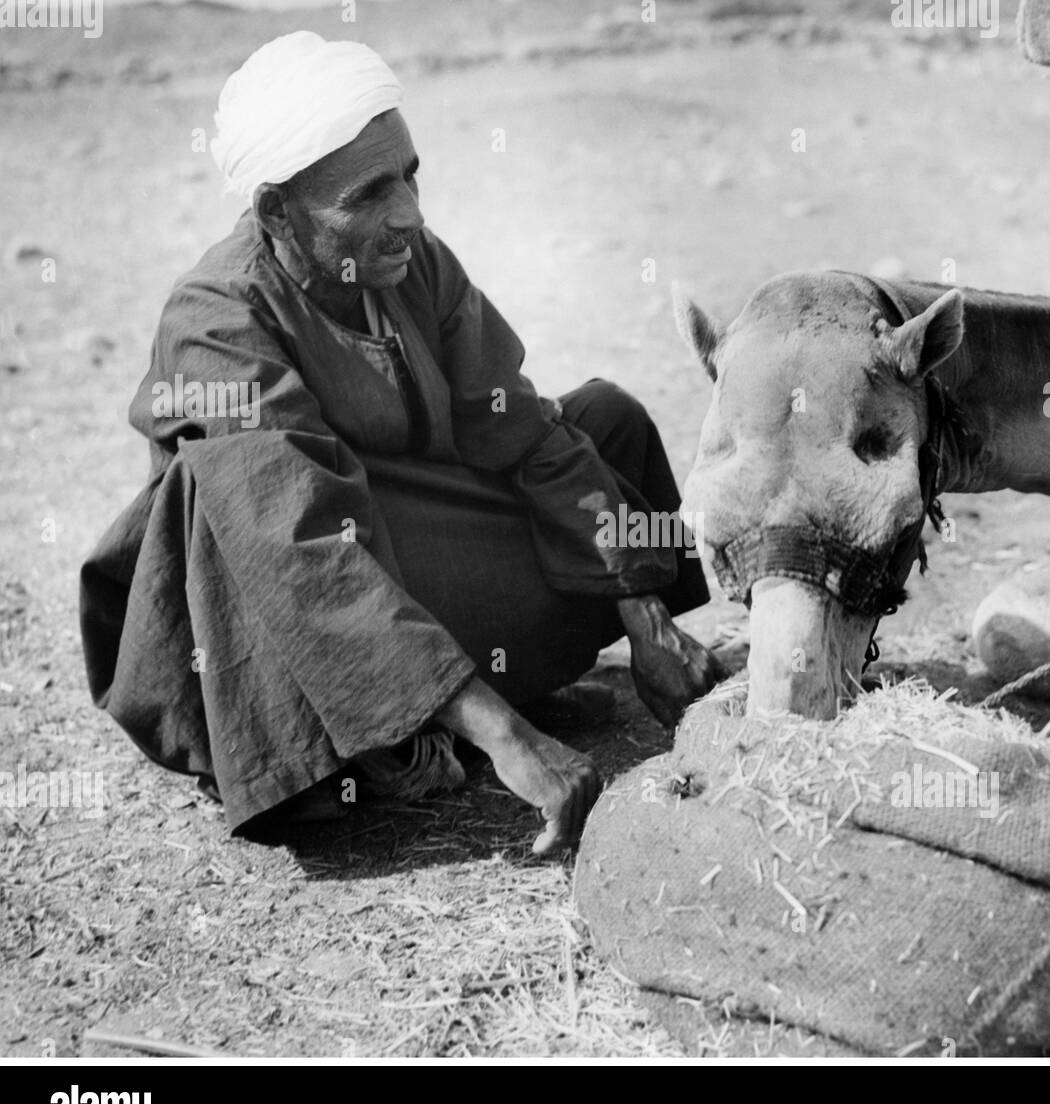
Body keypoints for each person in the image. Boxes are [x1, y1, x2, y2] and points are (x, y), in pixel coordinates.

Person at [80, 31, 720, 853]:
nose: (408, 214)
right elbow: (304, 545)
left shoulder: (412, 262)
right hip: (293, 613)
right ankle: (400, 730)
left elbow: (522, 432)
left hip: (410, 547)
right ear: (278, 211)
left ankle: (461, 700)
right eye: (369, 193)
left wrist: (645, 613)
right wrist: (510, 741)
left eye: (410, 175)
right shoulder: (214, 319)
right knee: (234, 502)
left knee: (603, 421)